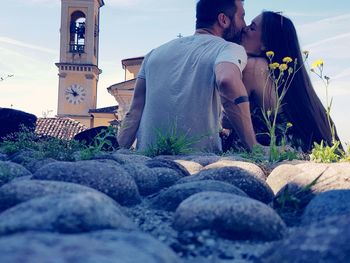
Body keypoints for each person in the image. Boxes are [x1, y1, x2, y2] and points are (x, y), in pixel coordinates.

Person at [118, 0, 259, 153]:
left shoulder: (154, 53)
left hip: (147, 157)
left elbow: (134, 112)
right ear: (223, 20)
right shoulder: (229, 48)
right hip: (198, 162)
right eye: (242, 17)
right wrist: (254, 147)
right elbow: (227, 80)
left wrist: (117, 152)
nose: (244, 25)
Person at [223, 11, 341, 152]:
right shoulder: (286, 78)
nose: (244, 29)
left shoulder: (254, 66)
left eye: (252, 27)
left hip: (273, 150)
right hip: (296, 148)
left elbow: (227, 120)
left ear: (265, 44)